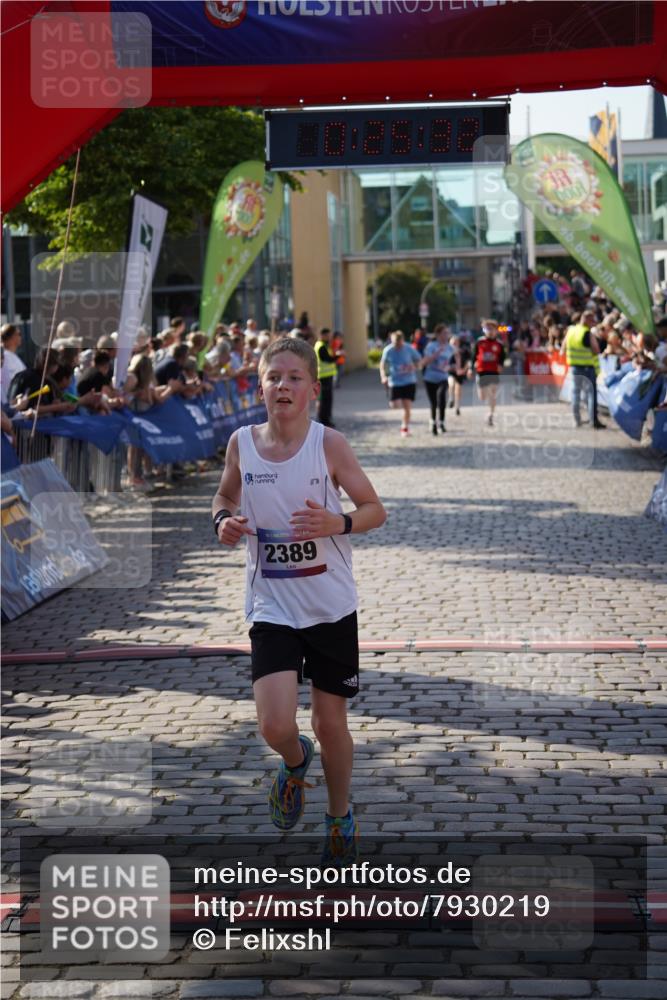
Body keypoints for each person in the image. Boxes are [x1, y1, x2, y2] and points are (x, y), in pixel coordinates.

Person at [212, 336, 386, 866]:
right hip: (272, 604)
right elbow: (224, 495)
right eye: (273, 377)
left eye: (294, 377)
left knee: (330, 725)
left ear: (313, 388)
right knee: (275, 725)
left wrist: (338, 522)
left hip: (330, 606)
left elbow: (375, 509)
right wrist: (223, 520)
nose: (282, 386)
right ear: (259, 387)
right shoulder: (241, 443)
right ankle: (294, 761)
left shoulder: (329, 445)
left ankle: (338, 817)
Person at [563, 309, 605, 429]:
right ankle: (593, 421)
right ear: (587, 320)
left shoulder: (571, 330)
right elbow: (596, 350)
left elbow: (563, 347)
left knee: (575, 393)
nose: (593, 323)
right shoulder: (587, 333)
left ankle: (576, 420)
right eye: (592, 321)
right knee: (591, 394)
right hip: (587, 367)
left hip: (574, 367)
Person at [379, 330, 421, 437]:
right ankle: (403, 413)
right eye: (395, 343)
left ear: (403, 340)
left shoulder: (409, 348)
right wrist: (383, 376)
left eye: (399, 343)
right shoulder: (388, 350)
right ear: (392, 341)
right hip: (395, 381)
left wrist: (414, 366)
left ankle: (404, 427)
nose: (397, 346)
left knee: (407, 407)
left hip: (409, 381)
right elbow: (382, 364)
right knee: (394, 405)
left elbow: (419, 361)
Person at [421, 323, 453, 435]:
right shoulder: (431, 346)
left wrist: (451, 367)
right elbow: (425, 362)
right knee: (433, 402)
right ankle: (433, 422)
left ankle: (442, 422)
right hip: (430, 378)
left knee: (441, 397)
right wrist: (436, 354)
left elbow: (455, 360)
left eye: (447, 333)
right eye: (444, 333)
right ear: (438, 334)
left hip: (443, 377)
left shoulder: (450, 347)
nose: (446, 335)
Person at [472, 318, 505, 427]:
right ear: (484, 330)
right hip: (481, 371)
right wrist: (471, 367)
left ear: (496, 331)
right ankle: (489, 407)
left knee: (492, 395)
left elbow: (502, 357)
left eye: (492, 329)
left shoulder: (499, 344)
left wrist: (500, 365)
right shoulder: (479, 342)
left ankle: (491, 415)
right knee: (482, 397)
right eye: (487, 329)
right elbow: (474, 356)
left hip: (493, 371)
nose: (490, 331)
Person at [313, 326, 338, 428]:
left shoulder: (323, 345)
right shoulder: (321, 346)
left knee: (324, 399)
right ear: (322, 335)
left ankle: (324, 420)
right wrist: (338, 356)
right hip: (324, 377)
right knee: (325, 400)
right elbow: (326, 359)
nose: (329, 337)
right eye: (327, 335)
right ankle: (324, 421)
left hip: (325, 376)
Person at [1, 324, 26, 405]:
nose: (20, 337)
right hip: (11, 405)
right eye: (19, 334)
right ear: (12, 337)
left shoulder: (11, 356)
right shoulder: (5, 357)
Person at [448, 335, 470, 416]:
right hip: (451, 371)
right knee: (451, 383)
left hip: (460, 371)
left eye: (455, 342)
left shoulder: (463, 351)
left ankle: (457, 406)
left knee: (458, 389)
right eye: (452, 342)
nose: (454, 343)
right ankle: (451, 398)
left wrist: (464, 370)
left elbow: (468, 362)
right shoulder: (447, 351)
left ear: (458, 343)